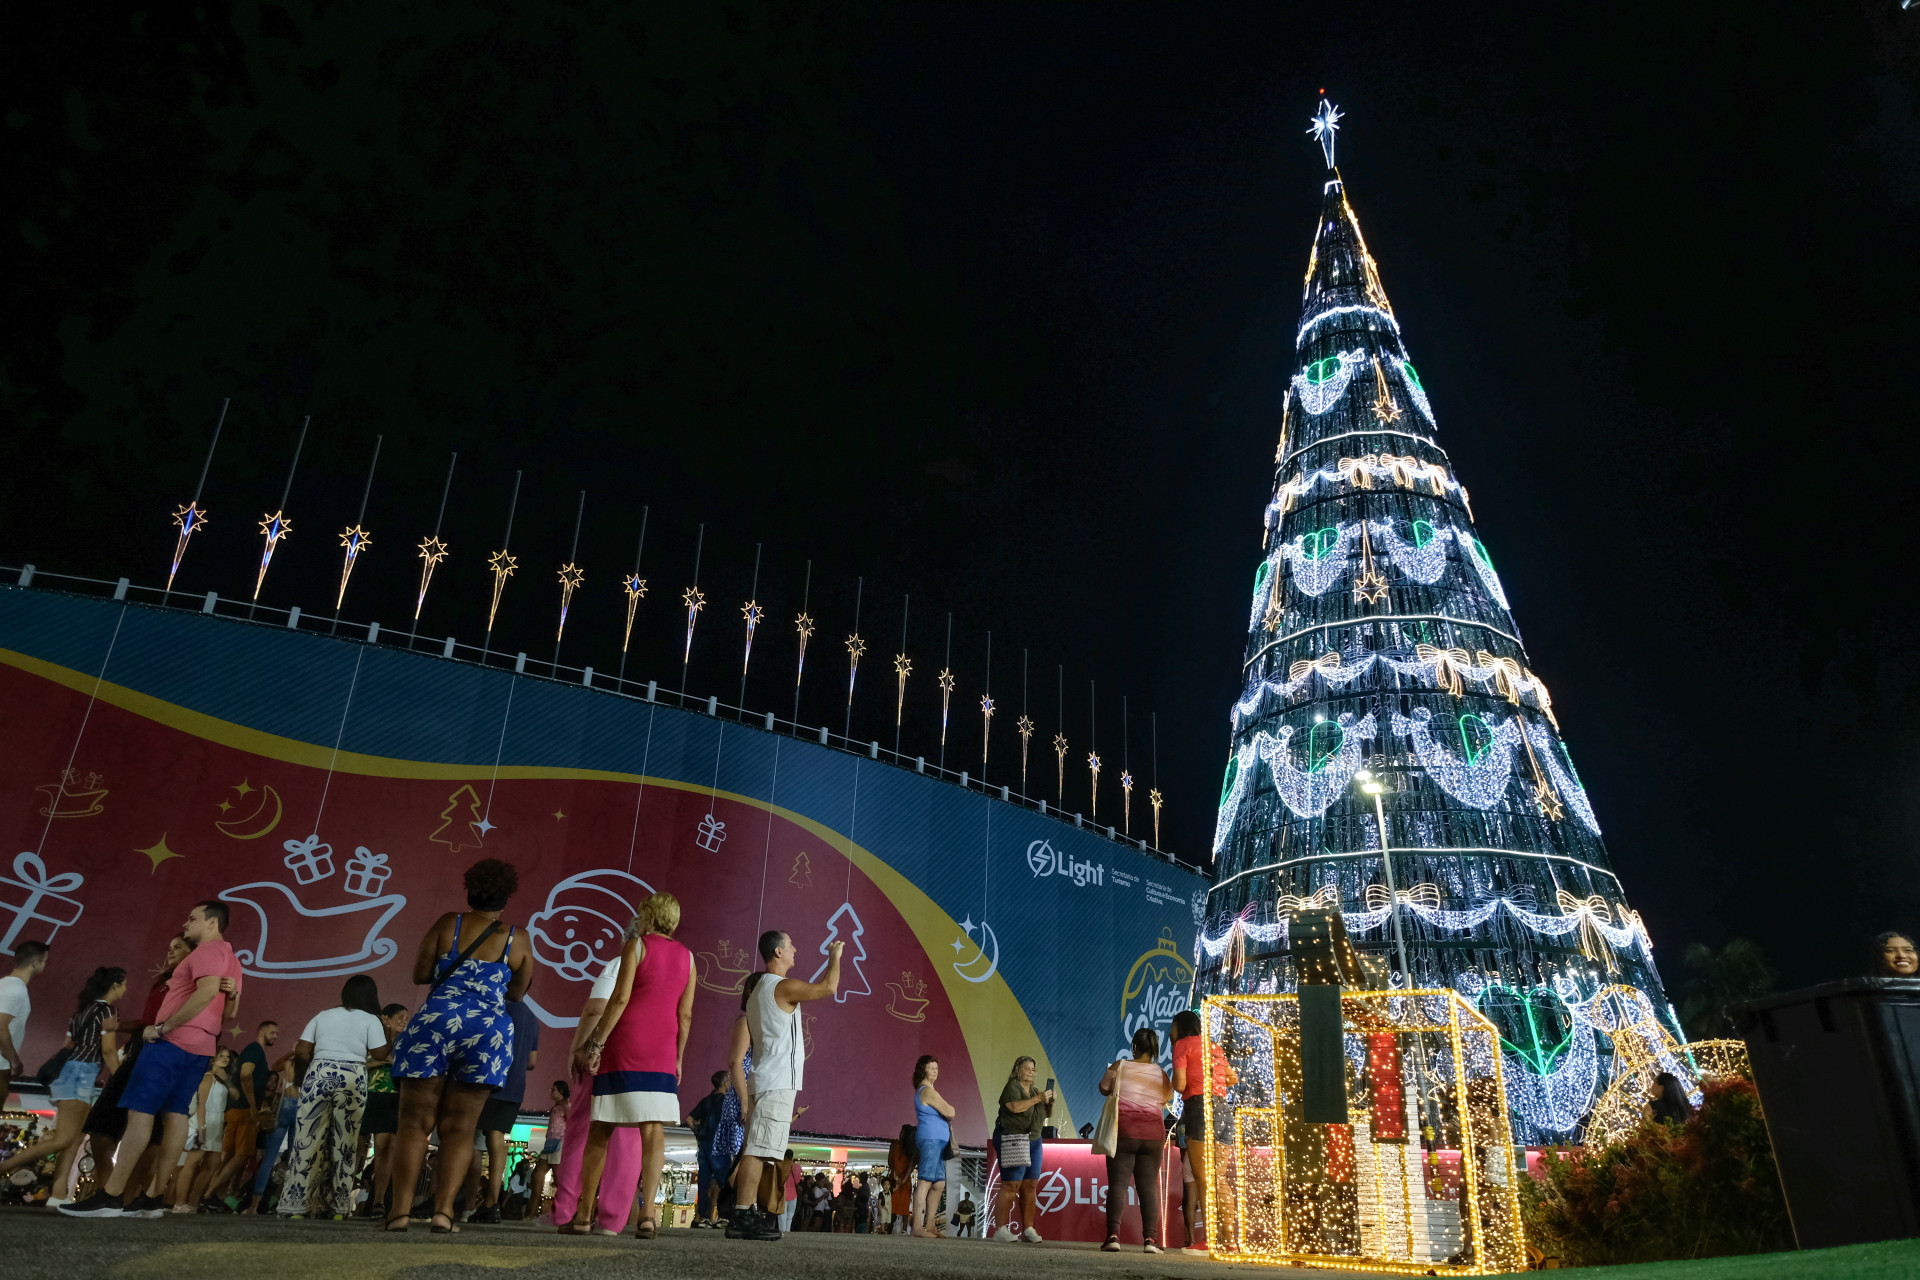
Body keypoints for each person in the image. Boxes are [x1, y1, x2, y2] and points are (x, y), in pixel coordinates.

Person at [61, 901, 243, 1219]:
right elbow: (228, 1013)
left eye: (192, 918)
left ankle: (111, 1197)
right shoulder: (233, 960)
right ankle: (153, 1199)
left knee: (141, 1113)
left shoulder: (207, 951)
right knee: (176, 1115)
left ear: (212, 923)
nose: (186, 923)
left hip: (172, 1042)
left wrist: (163, 1028)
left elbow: (205, 992)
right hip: (201, 1047)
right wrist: (232, 996)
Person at [385, 858, 531, 1234]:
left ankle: (399, 1213)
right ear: (507, 896)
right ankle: (444, 1213)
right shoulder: (517, 938)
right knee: (462, 1128)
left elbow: (420, 974)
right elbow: (517, 993)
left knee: (414, 1123)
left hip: (435, 1021)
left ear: (469, 890)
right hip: (487, 1031)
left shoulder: (449, 923)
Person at [572, 891, 696, 1239]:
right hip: (662, 1050)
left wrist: (595, 1043)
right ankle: (648, 1214)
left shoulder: (636, 946)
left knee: (602, 1127)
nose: (638, 920)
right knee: (653, 1130)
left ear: (651, 917)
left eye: (641, 914)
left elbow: (620, 998)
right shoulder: (688, 958)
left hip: (626, 1043)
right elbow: (685, 1015)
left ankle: (583, 1214)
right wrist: (678, 1057)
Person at [724, 929, 843, 1241]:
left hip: (765, 1078)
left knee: (758, 1148)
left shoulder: (757, 991)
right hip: (776, 1080)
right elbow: (829, 987)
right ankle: (742, 1213)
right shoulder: (781, 986)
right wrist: (835, 956)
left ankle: (748, 1210)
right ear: (777, 952)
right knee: (757, 1149)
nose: (795, 949)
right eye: (790, 945)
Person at [0, 966, 125, 1197]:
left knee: (74, 1139)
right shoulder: (107, 1011)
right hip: (82, 1074)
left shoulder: (80, 1012)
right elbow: (108, 1051)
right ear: (115, 985)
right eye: (124, 984)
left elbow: (67, 1045)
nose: (125, 989)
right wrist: (121, 1080)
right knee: (64, 1139)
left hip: (69, 1072)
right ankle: (5, 1167)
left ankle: (58, 1194)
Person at [279, 974, 392, 1219]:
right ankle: (337, 1207)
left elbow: (302, 1050)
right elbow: (380, 1054)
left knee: (307, 1140)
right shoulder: (371, 1019)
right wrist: (387, 1030)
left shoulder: (323, 1015)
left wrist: (303, 1081)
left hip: (319, 1073)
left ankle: (296, 1206)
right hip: (352, 1076)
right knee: (345, 1142)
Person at [547, 954, 643, 1235]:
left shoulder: (620, 963)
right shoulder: (675, 964)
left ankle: (565, 1211)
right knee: (628, 1135)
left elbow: (596, 1009)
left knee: (582, 1130)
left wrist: (580, 1047)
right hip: (644, 1055)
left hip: (606, 1051)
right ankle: (612, 1220)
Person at [1098, 1026, 1172, 1254]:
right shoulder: (1161, 1073)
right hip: (1153, 1135)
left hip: (1124, 1132)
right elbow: (1165, 1098)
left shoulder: (1120, 1066)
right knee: (1148, 1187)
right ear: (1154, 1048)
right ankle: (1150, 1239)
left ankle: (1113, 1237)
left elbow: (1103, 1088)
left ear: (1135, 1047)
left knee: (1118, 1185)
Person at [1169, 1007, 1236, 1254]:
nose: (1170, 1032)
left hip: (1199, 1110)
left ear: (1180, 1027)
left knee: (1204, 1180)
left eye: (1172, 1027)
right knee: (1220, 1179)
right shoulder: (1213, 1046)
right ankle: (1229, 1240)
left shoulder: (1182, 1045)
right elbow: (1232, 1078)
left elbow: (1180, 1084)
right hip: (1224, 1111)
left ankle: (1211, 1241)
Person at [473, 996, 540, 1224]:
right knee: (496, 1136)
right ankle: (491, 1202)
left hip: (489, 1080)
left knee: (472, 1140)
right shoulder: (532, 1018)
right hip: (515, 1087)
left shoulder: (497, 1007)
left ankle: (468, 1201)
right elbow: (532, 1062)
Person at [203, 1019, 278, 1210]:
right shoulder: (254, 1049)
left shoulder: (256, 1051)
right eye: (272, 1032)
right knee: (242, 1155)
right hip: (244, 1109)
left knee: (230, 1156)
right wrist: (253, 1105)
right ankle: (209, 1193)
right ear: (261, 1031)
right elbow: (245, 1075)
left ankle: (213, 1194)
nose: (275, 1036)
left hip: (239, 1109)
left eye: (277, 1034)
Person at [990, 1055, 1052, 1242]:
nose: (1031, 1072)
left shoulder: (1034, 1091)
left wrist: (1049, 1101)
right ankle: (1000, 1229)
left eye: (1033, 1069)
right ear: (1017, 1070)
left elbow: (1046, 1115)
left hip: (1034, 1140)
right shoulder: (1012, 1087)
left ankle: (1028, 1229)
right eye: (1027, 1068)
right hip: (1013, 1138)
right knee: (1011, 1184)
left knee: (1030, 1185)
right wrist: (1038, 1098)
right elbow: (1015, 1107)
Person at [360, 1004, 410, 1218]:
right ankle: (342, 1196)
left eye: (407, 1017)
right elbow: (357, 1062)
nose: (404, 1020)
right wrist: (378, 1061)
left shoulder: (407, 1042)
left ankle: (379, 1201)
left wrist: (394, 1062)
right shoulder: (370, 1039)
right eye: (400, 1016)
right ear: (385, 1019)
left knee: (384, 1148)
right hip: (365, 1095)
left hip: (393, 1097)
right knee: (356, 1148)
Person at [172, 1046, 233, 1212]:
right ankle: (179, 1203)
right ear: (213, 1058)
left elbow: (235, 1095)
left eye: (227, 1056)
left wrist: (227, 1080)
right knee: (191, 1163)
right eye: (221, 1055)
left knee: (212, 1165)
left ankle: (193, 1202)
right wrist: (202, 1127)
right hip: (205, 1121)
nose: (225, 1059)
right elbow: (201, 1104)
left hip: (217, 1123)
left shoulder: (223, 1079)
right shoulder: (208, 1077)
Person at [0, 940, 50, 1105]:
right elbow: (1, 1027)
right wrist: (14, 1061)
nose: (45, 965)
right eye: (44, 961)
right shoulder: (16, 990)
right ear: (35, 963)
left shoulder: (3, 984)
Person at [910, 1054, 954, 1238]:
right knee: (925, 1181)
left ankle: (929, 1225)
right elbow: (950, 1111)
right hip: (931, 1139)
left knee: (939, 1183)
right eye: (931, 1068)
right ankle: (917, 1227)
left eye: (936, 1068)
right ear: (923, 1070)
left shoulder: (930, 1090)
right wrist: (948, 1110)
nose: (935, 1071)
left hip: (936, 1141)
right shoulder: (927, 1091)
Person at [687, 1069, 727, 1225]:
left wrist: (698, 1133)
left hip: (704, 1145)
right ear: (724, 1083)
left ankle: (702, 1217)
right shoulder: (726, 1101)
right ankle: (722, 1216)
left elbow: (689, 1119)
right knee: (724, 1180)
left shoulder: (706, 1100)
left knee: (703, 1182)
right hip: (719, 1146)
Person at [527, 1078, 567, 1218]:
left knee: (558, 1180)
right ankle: (531, 1214)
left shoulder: (566, 1105)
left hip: (559, 1143)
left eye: (554, 1090)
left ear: (561, 1091)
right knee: (536, 1176)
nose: (551, 1092)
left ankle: (561, 1214)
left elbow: (572, 1121)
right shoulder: (558, 1105)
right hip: (550, 1144)